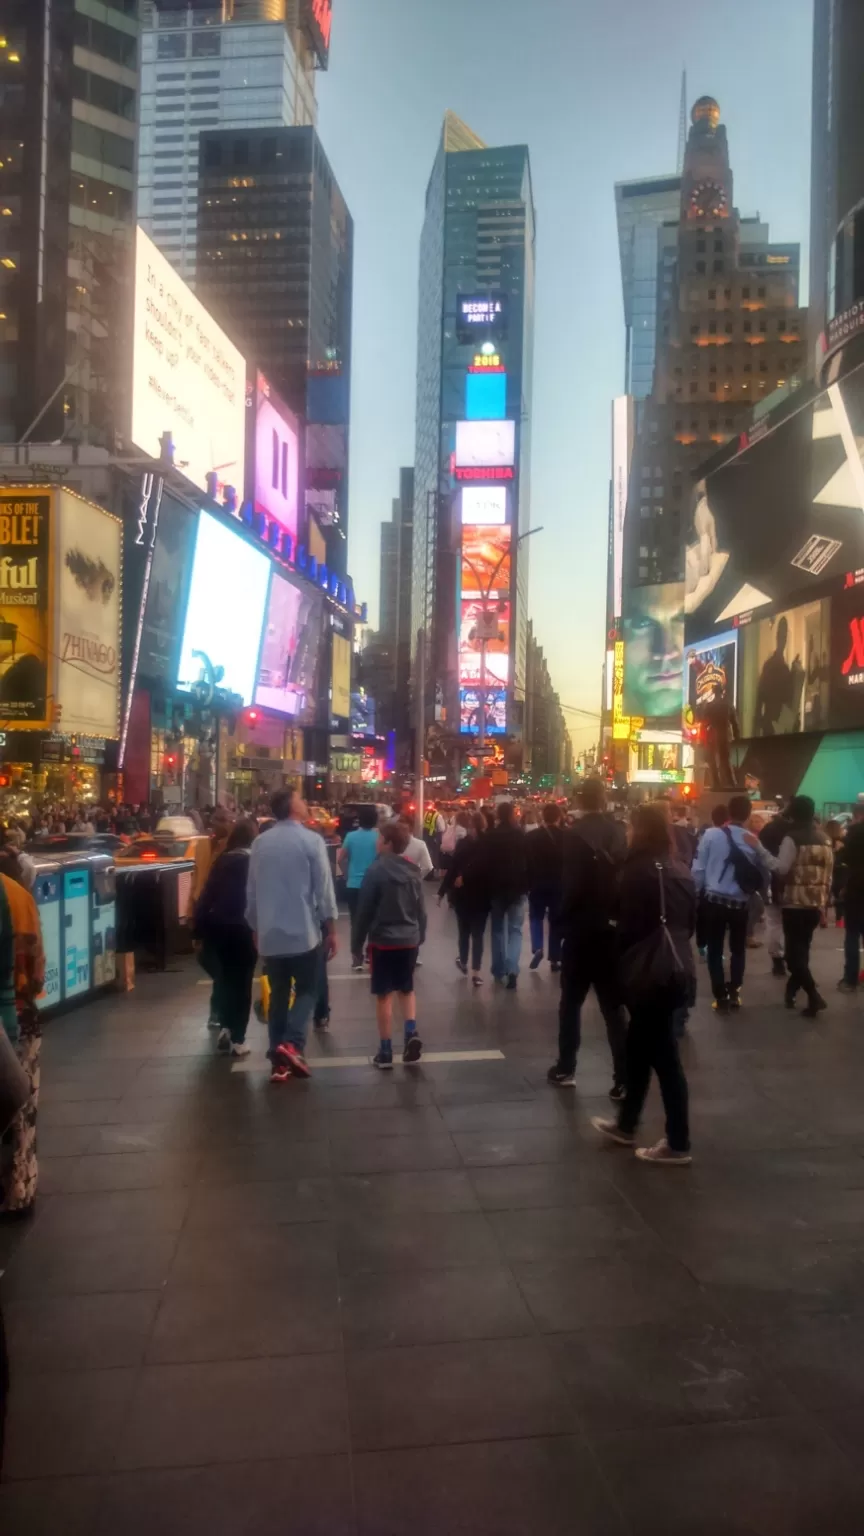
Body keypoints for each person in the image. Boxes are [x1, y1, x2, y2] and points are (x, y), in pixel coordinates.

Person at [591, 803, 695, 1166]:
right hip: (677, 969)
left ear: (640, 830)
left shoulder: (635, 872)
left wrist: (617, 977)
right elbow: (688, 925)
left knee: (664, 1057)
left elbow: (626, 927)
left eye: (632, 827)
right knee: (639, 1049)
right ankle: (626, 1125)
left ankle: (678, 1141)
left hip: (646, 973)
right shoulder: (680, 870)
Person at [246, 788, 338, 1082]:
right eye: (302, 798)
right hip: (304, 932)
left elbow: (252, 892)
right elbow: (323, 889)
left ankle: (278, 1061)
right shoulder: (311, 841)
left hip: (271, 934)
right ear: (292, 807)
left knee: (280, 994)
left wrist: (255, 927)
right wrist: (331, 928)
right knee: (309, 989)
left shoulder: (260, 843)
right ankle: (293, 1044)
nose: (306, 802)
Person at [548, 779, 628, 1095]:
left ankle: (567, 1067)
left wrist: (561, 919)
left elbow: (571, 885)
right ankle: (622, 1077)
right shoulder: (618, 831)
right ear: (605, 798)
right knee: (613, 1008)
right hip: (611, 930)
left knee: (571, 1003)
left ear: (581, 800)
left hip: (581, 930)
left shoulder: (573, 836)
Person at [353, 818, 426, 1069]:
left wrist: (356, 944)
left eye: (379, 837)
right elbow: (421, 910)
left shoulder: (375, 871)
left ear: (387, 842)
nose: (376, 841)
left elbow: (364, 911)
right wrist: (420, 936)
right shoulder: (412, 870)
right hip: (409, 939)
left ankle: (385, 1051)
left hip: (383, 942)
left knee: (384, 995)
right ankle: (410, 1033)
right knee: (407, 989)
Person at [692, 793, 774, 1013]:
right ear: (748, 815)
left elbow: (698, 869)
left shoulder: (710, 835)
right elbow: (770, 868)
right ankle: (735, 991)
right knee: (738, 949)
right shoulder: (751, 839)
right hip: (740, 904)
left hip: (713, 901)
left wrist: (695, 894)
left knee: (715, 949)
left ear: (729, 812)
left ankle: (720, 995)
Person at [0, 870, 46, 1216]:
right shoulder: (17, 895)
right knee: (21, 1109)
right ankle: (19, 1190)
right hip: (19, 1013)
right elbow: (36, 972)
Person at [194, 819, 258, 1057]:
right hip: (242, 928)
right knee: (242, 983)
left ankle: (225, 1027)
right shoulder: (253, 862)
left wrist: (198, 930)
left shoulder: (222, 860)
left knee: (226, 978)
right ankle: (238, 1038)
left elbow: (206, 896)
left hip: (217, 928)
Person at [775, 795, 833, 1017]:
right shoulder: (825, 838)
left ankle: (813, 995)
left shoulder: (792, 838)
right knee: (802, 951)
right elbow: (828, 875)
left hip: (795, 903)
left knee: (792, 955)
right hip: (815, 903)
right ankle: (793, 991)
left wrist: (763, 856)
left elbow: (781, 868)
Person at [190, 805, 232, 1027]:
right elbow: (196, 879)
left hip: (225, 913)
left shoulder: (232, 848)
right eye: (218, 820)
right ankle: (221, 1008)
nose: (221, 823)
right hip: (204, 911)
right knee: (207, 959)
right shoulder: (202, 846)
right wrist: (191, 912)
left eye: (225, 819)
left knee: (223, 965)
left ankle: (218, 1012)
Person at [480, 801, 528, 989]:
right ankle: (512, 968)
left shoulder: (491, 836)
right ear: (512, 815)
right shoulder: (520, 836)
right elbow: (528, 862)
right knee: (515, 930)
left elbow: (485, 864)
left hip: (496, 889)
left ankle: (499, 969)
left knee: (498, 930)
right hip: (517, 889)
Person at [439, 811, 489, 985]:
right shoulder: (488, 844)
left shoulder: (463, 844)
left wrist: (442, 891)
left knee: (464, 931)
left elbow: (453, 868)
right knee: (478, 935)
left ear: (471, 827)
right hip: (482, 895)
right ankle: (476, 971)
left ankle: (463, 961)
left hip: (463, 894)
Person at [338, 804, 380, 970]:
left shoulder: (351, 836)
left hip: (354, 885)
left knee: (356, 922)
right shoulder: (379, 837)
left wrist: (346, 875)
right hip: (375, 884)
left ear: (359, 820)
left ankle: (356, 958)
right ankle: (371, 955)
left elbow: (340, 858)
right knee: (374, 920)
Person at [527, 802, 564, 971]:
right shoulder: (566, 837)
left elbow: (525, 861)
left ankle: (538, 947)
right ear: (559, 817)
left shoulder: (532, 837)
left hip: (536, 883)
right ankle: (555, 959)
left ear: (543, 816)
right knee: (555, 920)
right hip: (558, 885)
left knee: (536, 917)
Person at [759, 807, 791, 976]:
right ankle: (793, 959)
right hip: (792, 883)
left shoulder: (767, 830)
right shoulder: (794, 832)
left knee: (773, 922)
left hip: (770, 881)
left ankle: (777, 961)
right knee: (791, 924)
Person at [838, 803, 864, 991]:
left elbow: (843, 859)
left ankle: (850, 978)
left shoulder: (853, 833)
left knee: (852, 934)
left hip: (856, 888)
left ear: (857, 815)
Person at [397, 815, 434, 879]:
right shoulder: (393, 843)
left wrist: (415, 877)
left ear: (410, 828)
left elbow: (428, 867)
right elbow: (427, 867)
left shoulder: (420, 844)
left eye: (403, 829)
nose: (400, 832)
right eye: (398, 829)